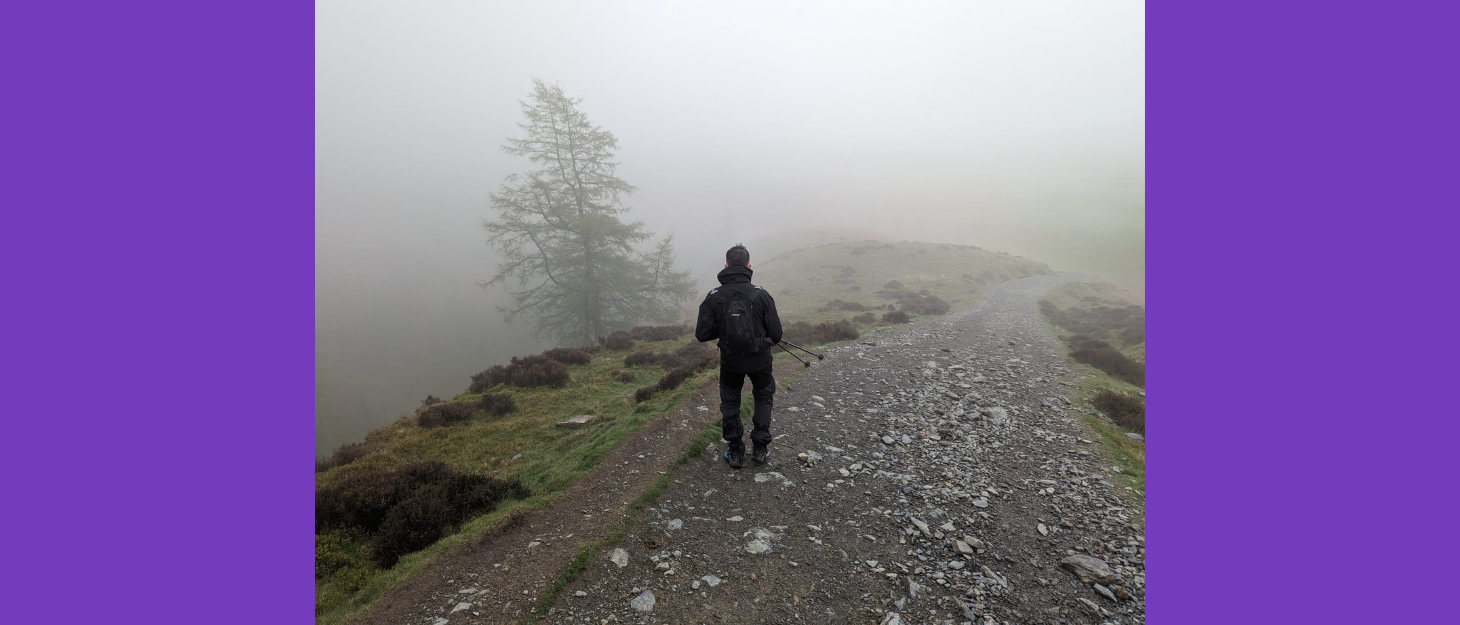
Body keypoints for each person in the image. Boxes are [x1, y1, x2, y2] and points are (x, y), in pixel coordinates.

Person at [695, 244, 783, 468]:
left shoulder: (713, 296)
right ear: (749, 266)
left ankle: (735, 452)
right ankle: (760, 449)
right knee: (763, 398)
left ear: (726, 266)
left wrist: (725, 331)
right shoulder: (762, 295)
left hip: (730, 362)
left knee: (731, 403)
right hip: (760, 360)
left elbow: (702, 334)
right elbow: (776, 334)